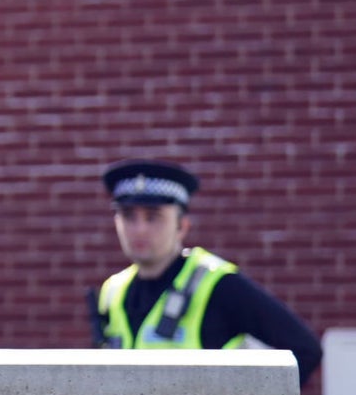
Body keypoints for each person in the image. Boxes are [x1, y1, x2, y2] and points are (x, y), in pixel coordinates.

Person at [90, 160, 321, 377]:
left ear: (182, 226)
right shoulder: (112, 292)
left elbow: (305, 350)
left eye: (153, 217)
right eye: (129, 216)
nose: (139, 229)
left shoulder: (217, 284)